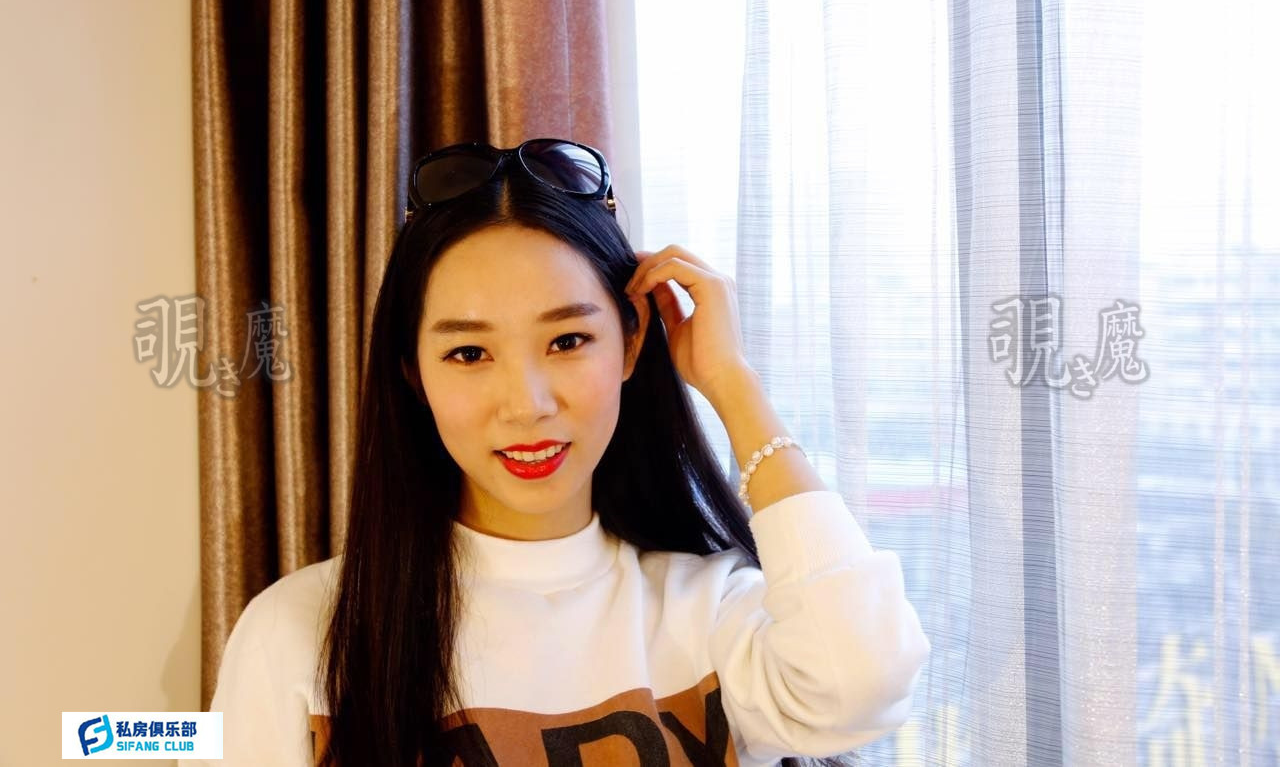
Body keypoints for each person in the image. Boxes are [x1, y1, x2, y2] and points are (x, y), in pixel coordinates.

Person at [182, 139, 931, 767]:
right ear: (414, 375)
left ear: (631, 343)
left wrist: (732, 384)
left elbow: (863, 681)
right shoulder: (300, 632)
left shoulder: (712, 613)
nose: (528, 404)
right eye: (469, 353)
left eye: (568, 340)